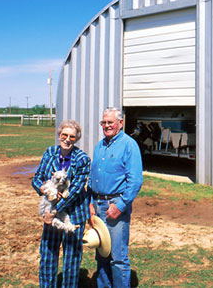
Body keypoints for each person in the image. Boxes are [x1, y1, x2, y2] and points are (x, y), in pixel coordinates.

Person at [88, 107, 143, 288]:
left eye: (110, 122)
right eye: (103, 122)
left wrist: (120, 205)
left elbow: (135, 181)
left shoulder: (129, 145)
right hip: (97, 204)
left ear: (120, 123)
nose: (106, 126)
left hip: (115, 205)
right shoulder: (100, 145)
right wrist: (90, 202)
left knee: (117, 256)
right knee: (101, 254)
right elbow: (92, 176)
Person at [32, 119, 90, 288]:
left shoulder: (82, 159)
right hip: (50, 214)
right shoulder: (49, 153)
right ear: (59, 135)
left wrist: (53, 212)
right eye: (64, 135)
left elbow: (76, 190)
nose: (67, 139)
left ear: (76, 139)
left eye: (72, 136)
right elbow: (36, 178)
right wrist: (43, 189)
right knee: (48, 253)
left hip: (74, 214)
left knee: (71, 258)